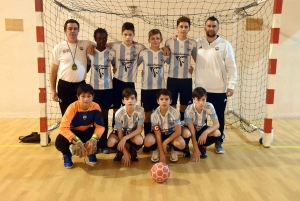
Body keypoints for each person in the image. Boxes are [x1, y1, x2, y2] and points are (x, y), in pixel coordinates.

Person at [195, 16, 237, 154]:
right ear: (204, 27)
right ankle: (202, 144)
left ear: (218, 28)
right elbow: (181, 46)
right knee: (200, 119)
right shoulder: (197, 43)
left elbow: (231, 67)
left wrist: (231, 85)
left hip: (219, 89)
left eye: (214, 26)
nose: (211, 28)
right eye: (209, 26)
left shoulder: (225, 44)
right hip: (200, 89)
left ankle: (218, 142)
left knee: (218, 117)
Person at [55, 84, 105, 168]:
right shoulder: (72, 107)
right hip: (73, 131)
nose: (86, 99)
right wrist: (76, 140)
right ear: (78, 97)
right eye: (83, 96)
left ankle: (91, 152)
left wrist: (94, 139)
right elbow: (63, 127)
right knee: (60, 142)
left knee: (102, 139)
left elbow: (100, 126)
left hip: (87, 130)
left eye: (89, 96)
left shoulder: (96, 107)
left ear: (93, 96)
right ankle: (67, 154)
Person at [50, 19, 93, 115]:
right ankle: (66, 130)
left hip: (81, 85)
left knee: (81, 114)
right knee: (66, 114)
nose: (72, 31)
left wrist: (92, 47)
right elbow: (53, 70)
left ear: (78, 30)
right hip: (64, 86)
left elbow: (103, 44)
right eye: (70, 28)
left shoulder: (85, 44)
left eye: (75, 28)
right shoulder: (58, 48)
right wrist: (53, 90)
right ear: (65, 31)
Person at [137, 29, 170, 151]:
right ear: (148, 40)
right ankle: (148, 142)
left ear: (161, 40)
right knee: (147, 115)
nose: (155, 41)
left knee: (160, 116)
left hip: (160, 89)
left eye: (158, 38)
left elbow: (172, 63)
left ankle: (159, 140)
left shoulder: (164, 53)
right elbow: (135, 64)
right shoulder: (144, 53)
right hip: (147, 89)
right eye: (153, 38)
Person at [109, 22, 146, 128]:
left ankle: (131, 128)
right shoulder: (115, 45)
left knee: (130, 106)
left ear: (134, 34)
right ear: (122, 34)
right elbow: (103, 44)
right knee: (116, 106)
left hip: (130, 82)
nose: (128, 37)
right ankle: (115, 129)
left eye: (130, 34)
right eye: (125, 34)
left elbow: (152, 51)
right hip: (117, 81)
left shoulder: (139, 47)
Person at [87, 28, 115, 154]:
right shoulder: (89, 53)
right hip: (94, 90)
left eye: (104, 38)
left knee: (104, 116)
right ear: (95, 39)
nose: (102, 41)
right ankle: (94, 143)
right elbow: (86, 68)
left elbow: (115, 66)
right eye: (99, 38)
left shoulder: (111, 52)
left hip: (108, 89)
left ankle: (104, 144)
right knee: (94, 118)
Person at [143, 89, 186, 163]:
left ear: (170, 101)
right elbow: (158, 134)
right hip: (159, 134)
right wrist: (162, 154)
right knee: (147, 142)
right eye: (161, 99)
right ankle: (156, 149)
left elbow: (178, 132)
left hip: (171, 134)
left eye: (166, 99)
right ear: (157, 101)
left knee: (181, 144)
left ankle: (173, 150)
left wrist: (165, 142)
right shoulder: (154, 115)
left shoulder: (175, 112)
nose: (164, 101)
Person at [182, 87, 221, 161]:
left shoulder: (209, 106)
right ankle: (185, 147)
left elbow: (217, 124)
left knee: (217, 133)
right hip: (189, 128)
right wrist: (195, 149)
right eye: (198, 100)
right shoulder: (189, 110)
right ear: (193, 99)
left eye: (203, 99)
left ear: (206, 98)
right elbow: (192, 131)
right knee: (187, 133)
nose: (201, 102)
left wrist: (206, 132)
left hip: (201, 128)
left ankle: (202, 145)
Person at [107, 88, 144, 166]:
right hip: (120, 133)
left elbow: (139, 129)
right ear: (123, 101)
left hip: (132, 133)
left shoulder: (140, 111)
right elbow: (120, 133)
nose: (130, 101)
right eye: (127, 99)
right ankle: (121, 151)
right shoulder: (118, 113)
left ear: (136, 100)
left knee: (139, 140)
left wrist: (125, 138)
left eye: (132, 98)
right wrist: (125, 153)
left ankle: (132, 149)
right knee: (110, 143)